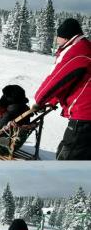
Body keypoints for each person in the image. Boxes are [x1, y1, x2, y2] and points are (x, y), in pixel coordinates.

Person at [32, 18, 91, 160]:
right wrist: (52, 101)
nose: (56, 39)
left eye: (57, 36)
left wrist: (39, 100)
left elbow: (57, 79)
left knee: (68, 156)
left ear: (65, 37)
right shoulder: (85, 47)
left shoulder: (77, 51)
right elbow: (71, 82)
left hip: (85, 114)